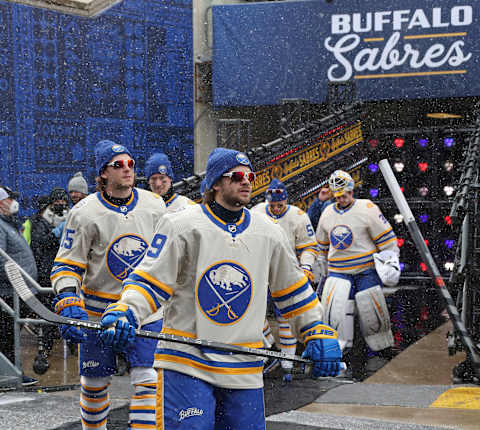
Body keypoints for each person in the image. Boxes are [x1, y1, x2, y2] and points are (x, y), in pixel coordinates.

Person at [100, 148, 342, 429]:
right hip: (186, 362)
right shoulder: (181, 225)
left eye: (249, 175)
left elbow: (294, 292)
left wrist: (315, 329)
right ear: (215, 183)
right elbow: (149, 281)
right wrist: (125, 310)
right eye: (236, 176)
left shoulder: (269, 232)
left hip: (245, 368)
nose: (246, 181)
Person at [50, 140, 166, 430]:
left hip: (144, 310)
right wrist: (68, 297)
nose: (127, 170)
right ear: (103, 173)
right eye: (119, 165)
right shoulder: (84, 212)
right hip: (98, 312)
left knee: (148, 379)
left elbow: (169, 255)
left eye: (130, 164)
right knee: (94, 383)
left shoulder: (154, 205)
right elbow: (66, 263)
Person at [316, 170, 400, 379]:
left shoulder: (367, 209)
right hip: (339, 270)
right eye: (338, 196)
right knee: (336, 313)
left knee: (370, 311)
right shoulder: (327, 213)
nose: (342, 199)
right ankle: (340, 354)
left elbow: (388, 241)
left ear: (352, 191)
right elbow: (322, 247)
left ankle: (377, 350)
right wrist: (322, 273)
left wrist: (389, 263)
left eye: (345, 195)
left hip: (365, 270)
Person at [252, 178, 319, 380]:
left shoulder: (298, 216)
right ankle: (268, 351)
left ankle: (287, 363)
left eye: (280, 205)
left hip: (286, 271)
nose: (276, 208)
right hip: (261, 270)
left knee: (285, 317)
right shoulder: (256, 212)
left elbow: (308, 246)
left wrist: (306, 267)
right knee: (253, 313)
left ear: (286, 201)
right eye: (272, 205)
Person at [0, 186, 39, 386]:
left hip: (19, 290)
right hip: (9, 292)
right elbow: (1, 259)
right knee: (8, 334)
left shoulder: (8, 224)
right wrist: (14, 280)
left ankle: (13, 372)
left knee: (11, 334)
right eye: (9, 199)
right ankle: (11, 374)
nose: (13, 203)